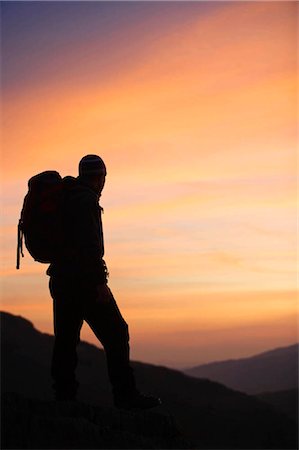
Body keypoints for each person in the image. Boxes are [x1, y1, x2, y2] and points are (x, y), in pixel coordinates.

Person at [47, 154, 161, 409]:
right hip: (84, 282)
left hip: (60, 280)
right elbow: (90, 247)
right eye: (103, 177)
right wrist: (100, 283)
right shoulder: (86, 201)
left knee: (66, 340)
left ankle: (64, 397)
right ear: (101, 178)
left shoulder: (67, 197)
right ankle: (125, 396)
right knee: (117, 333)